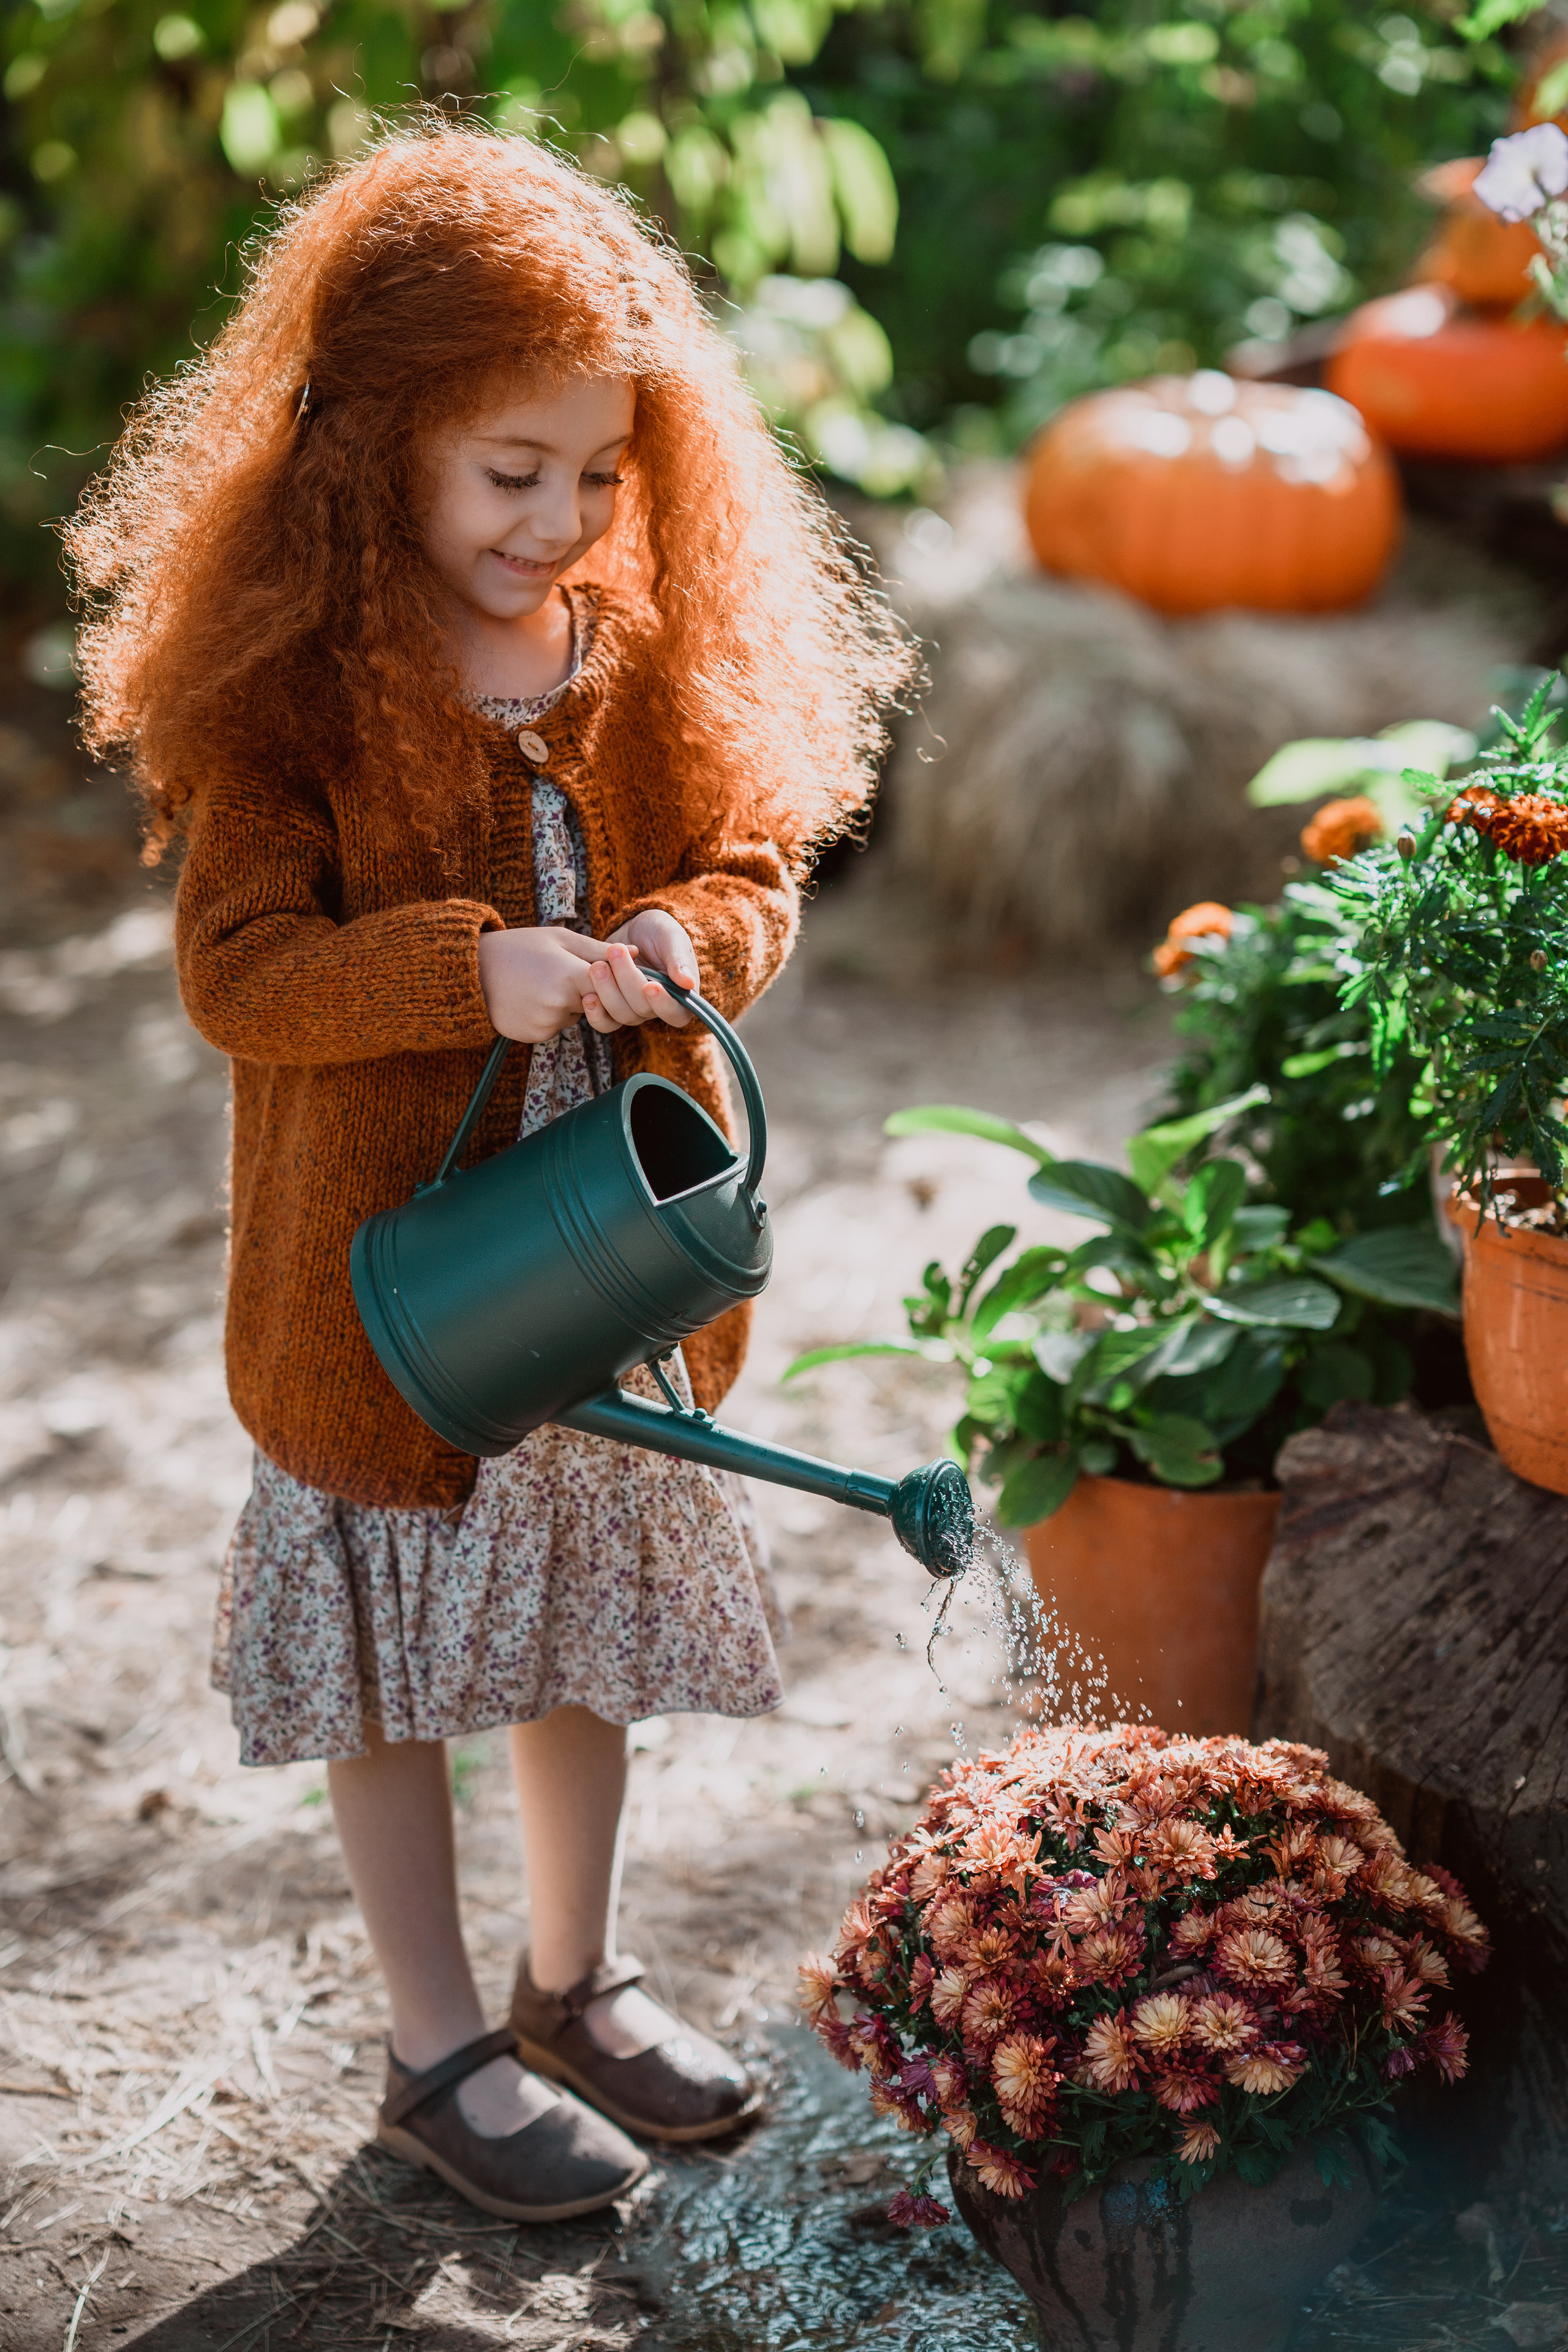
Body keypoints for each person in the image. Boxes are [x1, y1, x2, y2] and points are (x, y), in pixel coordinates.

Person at [64, 122, 913, 2225]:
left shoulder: (632, 667)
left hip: (600, 1260)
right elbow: (239, 977)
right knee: (404, 1661)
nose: (559, 519)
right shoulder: (289, 705)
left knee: (572, 1634)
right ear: (370, 456)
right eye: (505, 473)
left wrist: (678, 951)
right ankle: (432, 2041)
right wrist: (478, 969)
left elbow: (751, 870)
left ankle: (575, 1974)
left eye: (598, 471)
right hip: (396, 1297)